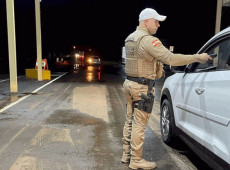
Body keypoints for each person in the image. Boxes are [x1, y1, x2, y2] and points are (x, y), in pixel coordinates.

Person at [121, 7, 212, 170]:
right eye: (156, 22)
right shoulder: (148, 40)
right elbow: (171, 58)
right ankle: (136, 160)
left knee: (130, 120)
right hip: (141, 88)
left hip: (129, 84)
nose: (158, 25)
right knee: (139, 124)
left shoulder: (130, 38)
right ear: (146, 21)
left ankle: (126, 154)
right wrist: (197, 57)